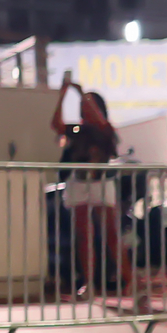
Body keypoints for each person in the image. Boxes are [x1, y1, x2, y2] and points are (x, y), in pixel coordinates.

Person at [52, 74, 121, 294]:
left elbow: (100, 121)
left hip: (101, 182)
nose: (84, 109)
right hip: (80, 181)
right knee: (84, 235)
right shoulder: (78, 130)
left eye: (88, 105)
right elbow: (56, 124)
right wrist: (64, 94)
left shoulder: (104, 129)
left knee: (111, 234)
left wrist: (81, 93)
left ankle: (127, 279)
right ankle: (88, 282)